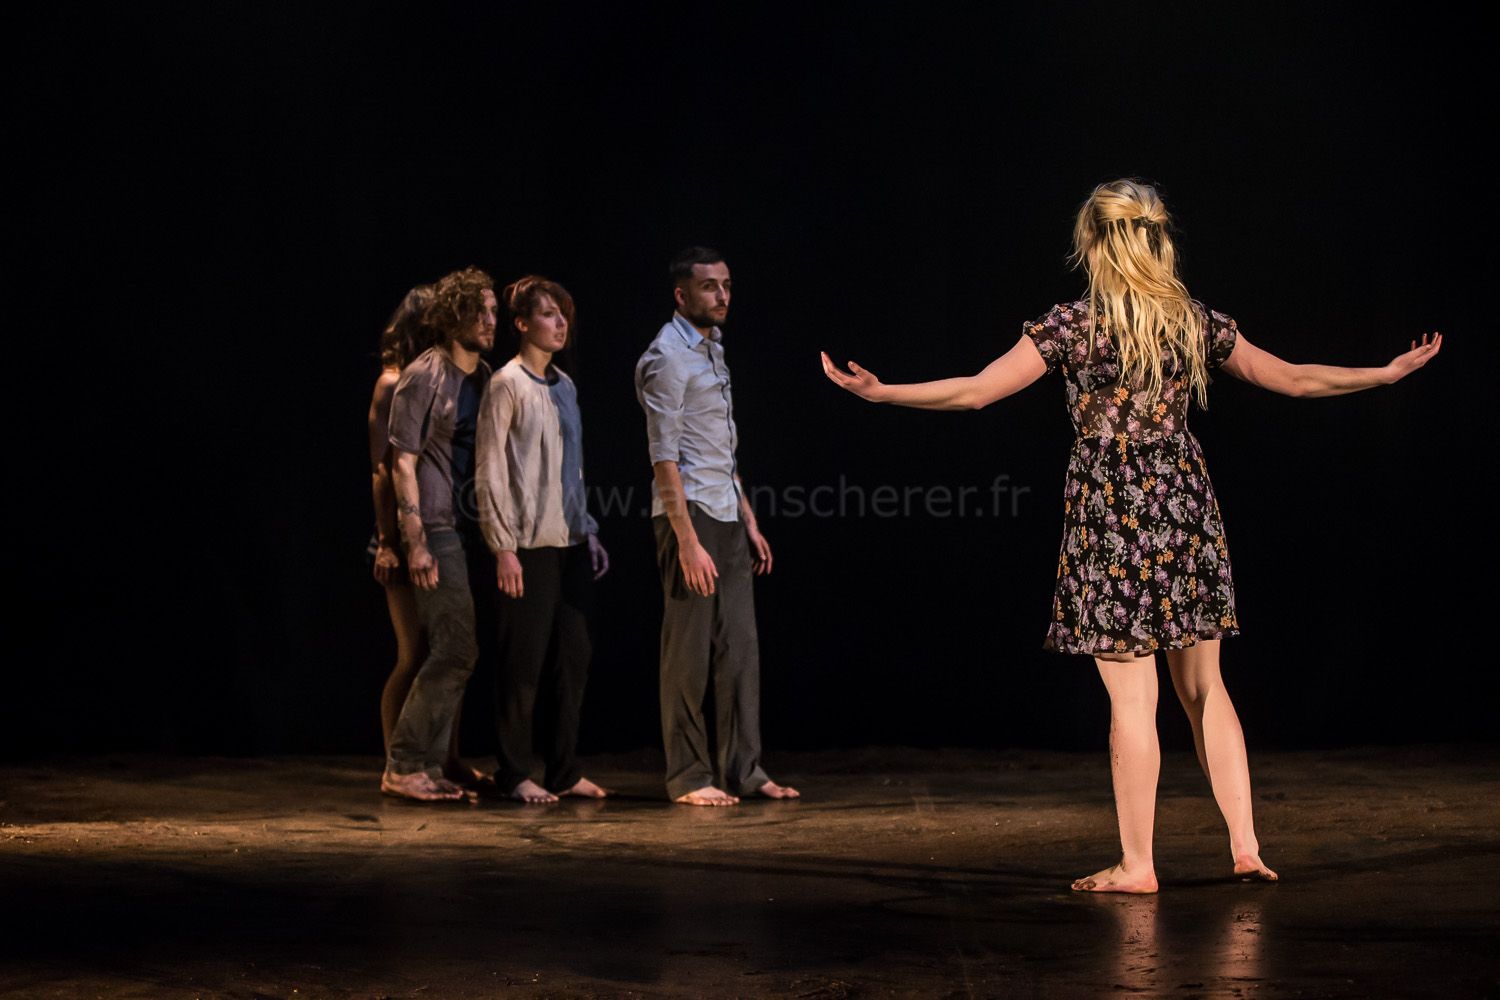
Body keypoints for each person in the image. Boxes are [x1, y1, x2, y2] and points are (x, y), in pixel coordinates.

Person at [821, 178, 1441, 891]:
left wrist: (883, 393)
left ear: (1092, 242)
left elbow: (976, 391)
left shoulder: (1072, 326)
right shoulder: (1189, 322)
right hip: (1183, 507)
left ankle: (1139, 864)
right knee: (1206, 689)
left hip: (1111, 514)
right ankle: (1244, 846)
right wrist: (1383, 375)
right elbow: (1295, 379)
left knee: (1133, 700)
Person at [635, 247, 799, 806]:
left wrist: (748, 519)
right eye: (709, 286)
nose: (722, 295)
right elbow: (665, 459)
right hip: (689, 517)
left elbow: (720, 452)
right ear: (681, 295)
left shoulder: (713, 350)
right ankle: (688, 776)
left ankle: (744, 769)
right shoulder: (666, 357)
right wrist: (687, 541)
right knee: (688, 652)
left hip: (725, 512)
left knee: (740, 649)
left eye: (726, 284)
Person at [476, 276, 611, 804]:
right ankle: (514, 771)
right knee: (523, 662)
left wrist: (589, 530)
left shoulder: (566, 386)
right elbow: (489, 469)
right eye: (549, 314)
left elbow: (574, 470)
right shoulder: (506, 384)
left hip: (569, 542)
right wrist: (503, 546)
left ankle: (564, 769)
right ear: (521, 324)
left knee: (573, 657)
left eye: (564, 315)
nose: (560, 324)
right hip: (526, 544)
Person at [381, 265, 498, 802]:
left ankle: (428, 765)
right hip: (431, 526)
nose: (490, 320)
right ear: (454, 316)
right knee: (455, 649)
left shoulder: (483, 376)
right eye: (479, 311)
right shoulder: (424, 374)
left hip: (464, 525)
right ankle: (404, 764)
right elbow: (400, 461)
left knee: (454, 650)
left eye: (493, 311)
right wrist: (415, 542)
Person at [366, 285, 467, 778]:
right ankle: (398, 760)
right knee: (414, 653)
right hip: (403, 535)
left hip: (441, 528)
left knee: (449, 651)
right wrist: (389, 543)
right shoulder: (392, 382)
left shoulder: (442, 378)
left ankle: (445, 758)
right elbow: (384, 469)